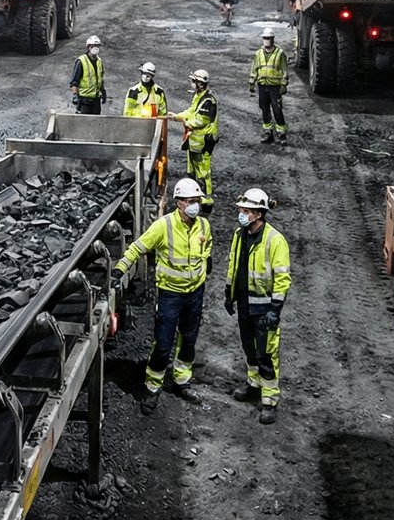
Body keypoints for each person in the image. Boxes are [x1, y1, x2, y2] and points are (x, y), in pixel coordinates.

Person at [113, 177, 213, 414]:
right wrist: (120, 269)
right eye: (190, 201)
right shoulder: (163, 226)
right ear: (179, 202)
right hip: (170, 295)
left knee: (189, 339)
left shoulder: (203, 225)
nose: (195, 205)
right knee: (163, 343)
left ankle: (182, 380)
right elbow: (137, 248)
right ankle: (153, 387)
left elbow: (207, 246)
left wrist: (207, 260)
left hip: (195, 293)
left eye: (197, 201)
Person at [223, 187, 291, 424]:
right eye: (241, 210)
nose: (241, 214)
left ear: (259, 214)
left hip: (264, 309)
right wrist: (229, 294)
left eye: (246, 211)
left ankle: (270, 401)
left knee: (266, 355)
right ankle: (253, 385)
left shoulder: (275, 240)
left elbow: (282, 278)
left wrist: (275, 310)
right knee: (249, 349)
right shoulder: (239, 234)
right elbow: (234, 265)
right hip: (245, 304)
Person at [169, 69, 219, 210]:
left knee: (203, 172)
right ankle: (193, 195)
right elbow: (191, 111)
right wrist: (177, 117)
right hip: (195, 142)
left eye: (194, 81)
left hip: (204, 142)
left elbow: (200, 120)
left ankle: (206, 201)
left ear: (200, 83)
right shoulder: (199, 96)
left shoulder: (208, 101)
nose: (192, 83)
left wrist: (185, 122)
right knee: (192, 170)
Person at [249, 28, 290, 144]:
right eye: (265, 38)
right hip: (262, 86)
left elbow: (284, 70)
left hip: (275, 87)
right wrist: (251, 82)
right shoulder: (258, 54)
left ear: (273, 39)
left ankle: (282, 133)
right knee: (264, 109)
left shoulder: (280, 53)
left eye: (269, 38)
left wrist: (283, 85)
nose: (267, 40)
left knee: (277, 109)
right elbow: (254, 69)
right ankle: (268, 133)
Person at [69, 34, 107, 114]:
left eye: (97, 46)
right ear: (88, 46)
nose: (95, 48)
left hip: (96, 100)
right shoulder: (81, 61)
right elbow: (74, 81)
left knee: (95, 120)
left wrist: (103, 92)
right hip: (84, 101)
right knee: (83, 120)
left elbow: (100, 79)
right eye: (93, 45)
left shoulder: (99, 61)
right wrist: (75, 95)